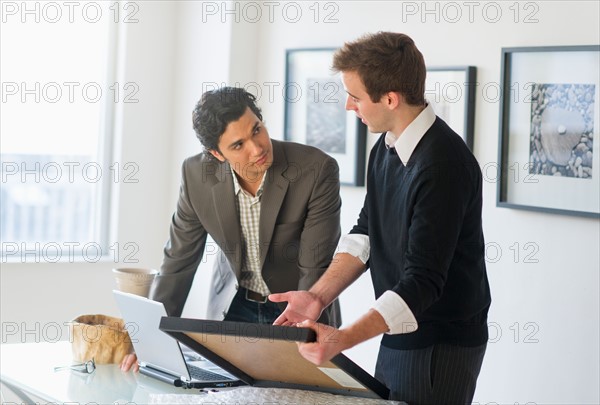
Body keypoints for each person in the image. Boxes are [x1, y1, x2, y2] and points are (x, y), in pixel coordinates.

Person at [270, 32, 491, 404]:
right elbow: (366, 233)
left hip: (440, 342)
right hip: (401, 330)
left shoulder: (442, 166)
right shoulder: (386, 147)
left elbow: (422, 282)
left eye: (355, 97)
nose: (348, 106)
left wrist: (341, 339)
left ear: (390, 99)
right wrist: (316, 296)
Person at [121, 86, 342, 371]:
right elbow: (178, 262)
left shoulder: (316, 169)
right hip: (233, 308)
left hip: (297, 311)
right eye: (238, 145)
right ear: (217, 153)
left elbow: (315, 267)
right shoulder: (196, 176)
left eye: (257, 130)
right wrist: (149, 340)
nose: (257, 147)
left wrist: (306, 335)